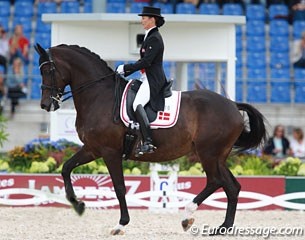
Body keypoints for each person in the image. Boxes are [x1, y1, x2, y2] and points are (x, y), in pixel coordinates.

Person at [116, 6, 167, 155]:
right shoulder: (149, 36)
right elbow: (144, 61)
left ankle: (148, 142)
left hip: (153, 80)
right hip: (146, 77)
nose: (141, 21)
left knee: (138, 103)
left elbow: (146, 62)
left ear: (153, 20)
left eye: (144, 18)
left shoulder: (155, 38)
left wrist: (126, 68)